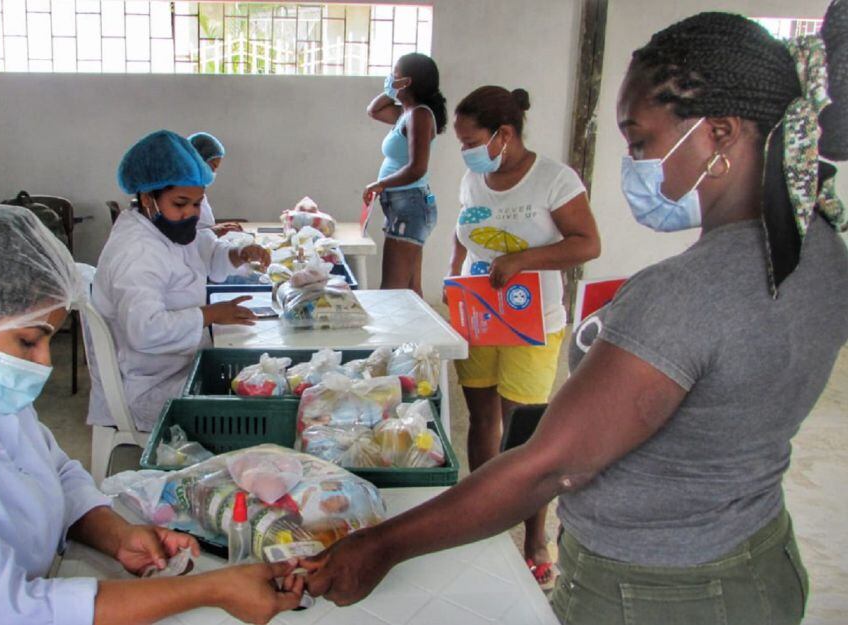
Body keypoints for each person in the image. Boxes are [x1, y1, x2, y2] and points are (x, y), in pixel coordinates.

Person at [302, 4, 848, 624]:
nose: (633, 162)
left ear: (718, 133)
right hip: (755, 555)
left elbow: (551, 465)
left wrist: (380, 545)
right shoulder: (821, 249)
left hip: (657, 591)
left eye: (641, 140)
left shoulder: (685, 295)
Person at [0, 205, 304, 625]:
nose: (43, 362)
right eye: (29, 340)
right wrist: (211, 590)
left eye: (49, 338)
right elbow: (6, 612)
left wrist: (119, 535)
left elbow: (58, 477)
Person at [447, 85, 601, 587]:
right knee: (481, 415)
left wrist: (523, 261)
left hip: (532, 320)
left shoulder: (554, 179)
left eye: (470, 139)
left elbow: (587, 244)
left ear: (503, 134)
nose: (464, 150)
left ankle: (537, 536)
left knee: (526, 429)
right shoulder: (474, 176)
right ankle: (482, 514)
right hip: (478, 313)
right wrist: (454, 281)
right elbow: (462, 230)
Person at [88, 130, 271, 432]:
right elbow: (145, 331)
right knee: (253, 410)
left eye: (198, 204)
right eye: (181, 203)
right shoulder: (137, 251)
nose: (191, 213)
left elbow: (206, 254)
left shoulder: (165, 228)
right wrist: (211, 314)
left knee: (260, 381)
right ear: (148, 198)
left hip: (173, 366)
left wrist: (238, 254)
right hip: (146, 388)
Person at [363, 52, 447, 295]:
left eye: (395, 74)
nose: (390, 77)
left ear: (407, 82)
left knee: (393, 291)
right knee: (410, 289)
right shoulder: (405, 113)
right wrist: (391, 91)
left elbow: (417, 167)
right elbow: (373, 110)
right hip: (403, 204)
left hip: (410, 204)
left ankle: (397, 334)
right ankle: (417, 334)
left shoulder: (420, 115)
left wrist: (380, 184)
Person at [187, 131, 242, 237]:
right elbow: (179, 239)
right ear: (199, 161)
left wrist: (218, 229)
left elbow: (202, 226)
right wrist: (213, 232)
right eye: (212, 166)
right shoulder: (180, 191)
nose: (212, 173)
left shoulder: (197, 188)